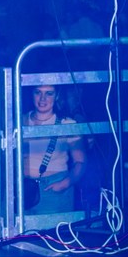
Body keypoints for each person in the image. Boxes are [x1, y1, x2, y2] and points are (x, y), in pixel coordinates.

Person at [23, 80, 85, 217]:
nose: (42, 99)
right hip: (23, 190)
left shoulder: (68, 124)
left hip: (53, 189)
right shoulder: (20, 121)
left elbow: (80, 162)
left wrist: (65, 183)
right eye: (38, 92)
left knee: (54, 230)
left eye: (49, 93)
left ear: (57, 96)